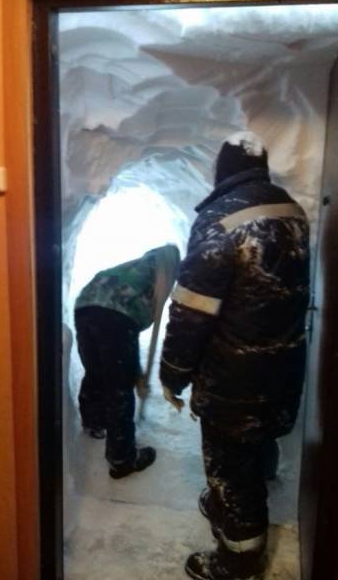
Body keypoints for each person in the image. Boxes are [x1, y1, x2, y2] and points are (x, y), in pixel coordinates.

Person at [160, 132, 310, 579]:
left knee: (231, 469)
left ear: (222, 171)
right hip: (283, 365)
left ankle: (238, 561)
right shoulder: (291, 210)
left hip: (234, 377)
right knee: (258, 443)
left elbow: (191, 311)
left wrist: (173, 372)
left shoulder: (220, 220)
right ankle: (235, 499)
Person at [74, 243, 180, 479]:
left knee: (96, 371)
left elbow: (125, 348)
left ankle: (93, 421)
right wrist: (135, 377)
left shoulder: (137, 268)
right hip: (115, 315)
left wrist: (136, 372)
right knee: (119, 389)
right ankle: (122, 459)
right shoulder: (160, 276)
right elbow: (124, 336)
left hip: (86, 306)